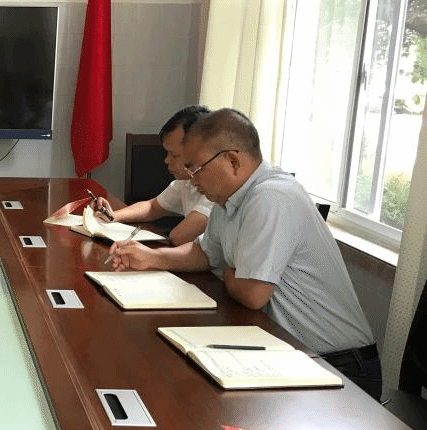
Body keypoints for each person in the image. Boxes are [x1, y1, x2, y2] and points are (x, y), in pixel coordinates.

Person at [107, 108, 381, 399]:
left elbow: (252, 294)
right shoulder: (227, 199)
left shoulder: (271, 197)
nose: (192, 181)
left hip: (338, 366)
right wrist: (151, 257)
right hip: (286, 352)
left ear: (232, 161)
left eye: (196, 169)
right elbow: (205, 254)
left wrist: (228, 272)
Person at [91, 106, 214, 245]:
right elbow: (153, 207)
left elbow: (178, 237)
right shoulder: (185, 181)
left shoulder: (216, 189)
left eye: (174, 155)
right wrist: (113, 216)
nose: (166, 160)